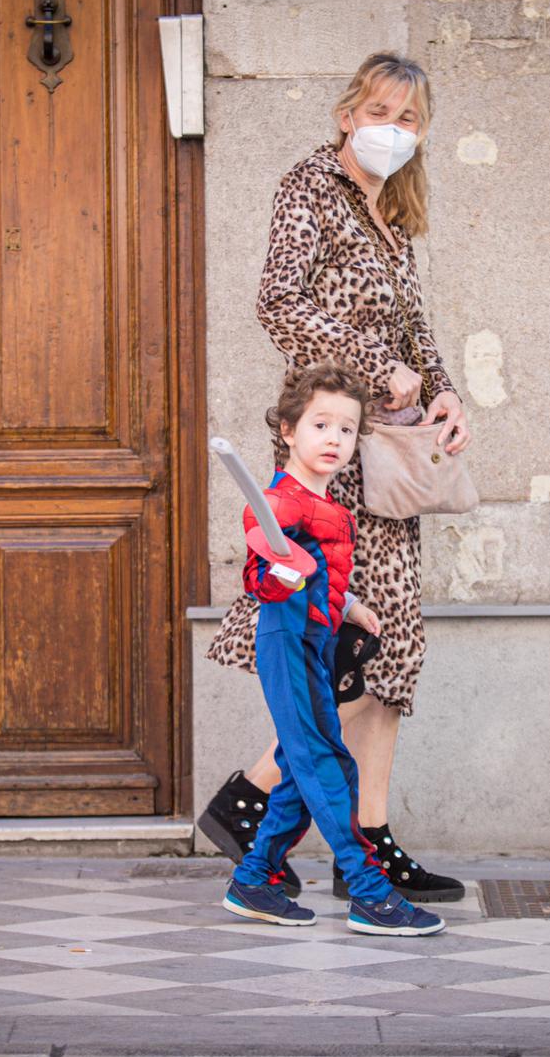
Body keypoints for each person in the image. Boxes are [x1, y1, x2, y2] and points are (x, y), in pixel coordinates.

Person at [204, 52, 472, 903]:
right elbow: (277, 302)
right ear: (349, 110)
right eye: (381, 109)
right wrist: (372, 362)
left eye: (411, 117)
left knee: (387, 651)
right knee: (343, 649)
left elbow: (414, 326)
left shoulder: (392, 208)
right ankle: (255, 804)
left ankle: (362, 829)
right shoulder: (308, 187)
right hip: (333, 460)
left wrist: (442, 391)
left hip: (387, 460)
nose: (395, 127)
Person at [221, 361, 444, 938]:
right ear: (289, 431)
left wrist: (348, 607)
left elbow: (320, 576)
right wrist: (281, 573)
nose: (334, 439)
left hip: (317, 644)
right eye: (321, 425)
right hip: (286, 641)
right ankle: (368, 891)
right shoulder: (278, 504)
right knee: (327, 763)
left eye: (346, 430)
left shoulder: (331, 508)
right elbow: (262, 579)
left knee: (305, 767)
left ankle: (254, 878)